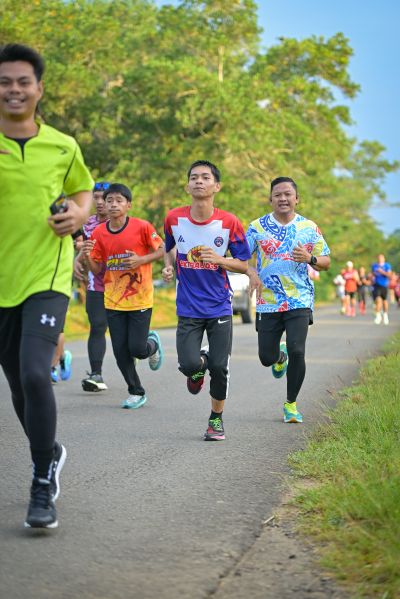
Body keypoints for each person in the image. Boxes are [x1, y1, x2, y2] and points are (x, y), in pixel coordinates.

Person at [0, 44, 93, 528]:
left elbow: (84, 191)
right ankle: (50, 452)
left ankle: (41, 482)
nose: (13, 90)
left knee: (37, 375)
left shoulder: (62, 145)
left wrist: (78, 213)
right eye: (4, 82)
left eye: (23, 82)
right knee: (19, 383)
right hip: (3, 282)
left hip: (46, 277)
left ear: (38, 88)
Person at [162, 160, 251, 441]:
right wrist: (168, 266)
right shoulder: (173, 218)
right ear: (187, 186)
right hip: (188, 305)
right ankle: (199, 367)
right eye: (194, 177)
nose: (199, 181)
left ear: (217, 186)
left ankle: (216, 419)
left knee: (220, 368)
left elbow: (244, 263)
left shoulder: (229, 222)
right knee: (189, 364)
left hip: (219, 305)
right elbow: (168, 247)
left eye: (205, 177)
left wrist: (219, 259)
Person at [246, 177, 330, 424]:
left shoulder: (309, 227)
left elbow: (326, 261)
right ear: (270, 199)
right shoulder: (256, 227)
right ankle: (278, 357)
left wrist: (310, 259)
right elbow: (240, 256)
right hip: (268, 301)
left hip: (299, 299)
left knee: (297, 349)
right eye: (277, 195)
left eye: (287, 194)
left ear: (296, 198)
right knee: (266, 358)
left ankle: (291, 404)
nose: (283, 198)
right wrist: (250, 272)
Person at [82, 183, 164, 408]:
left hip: (140, 298)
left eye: (119, 200)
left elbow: (162, 249)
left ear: (129, 205)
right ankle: (136, 391)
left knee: (137, 349)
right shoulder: (99, 233)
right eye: (109, 200)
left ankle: (152, 345)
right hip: (113, 300)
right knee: (120, 352)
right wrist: (87, 256)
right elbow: (97, 270)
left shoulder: (142, 227)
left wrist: (141, 260)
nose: (113, 204)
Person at [74, 182, 110, 391]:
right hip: (96, 284)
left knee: (129, 338)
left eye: (104, 197)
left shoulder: (126, 223)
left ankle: (145, 345)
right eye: (95, 197)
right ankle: (96, 374)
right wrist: (77, 259)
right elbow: (85, 246)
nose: (100, 202)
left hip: (124, 287)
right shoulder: (87, 224)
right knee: (97, 326)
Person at [371, 253, 392, 325]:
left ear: (384, 259)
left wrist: (382, 271)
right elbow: (372, 274)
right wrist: (371, 277)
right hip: (376, 285)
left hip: (384, 285)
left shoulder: (387, 265)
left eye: (381, 258)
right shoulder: (374, 266)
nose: (380, 259)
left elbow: (389, 275)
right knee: (378, 300)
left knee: (384, 301)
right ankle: (378, 316)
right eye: (379, 258)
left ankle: (385, 315)